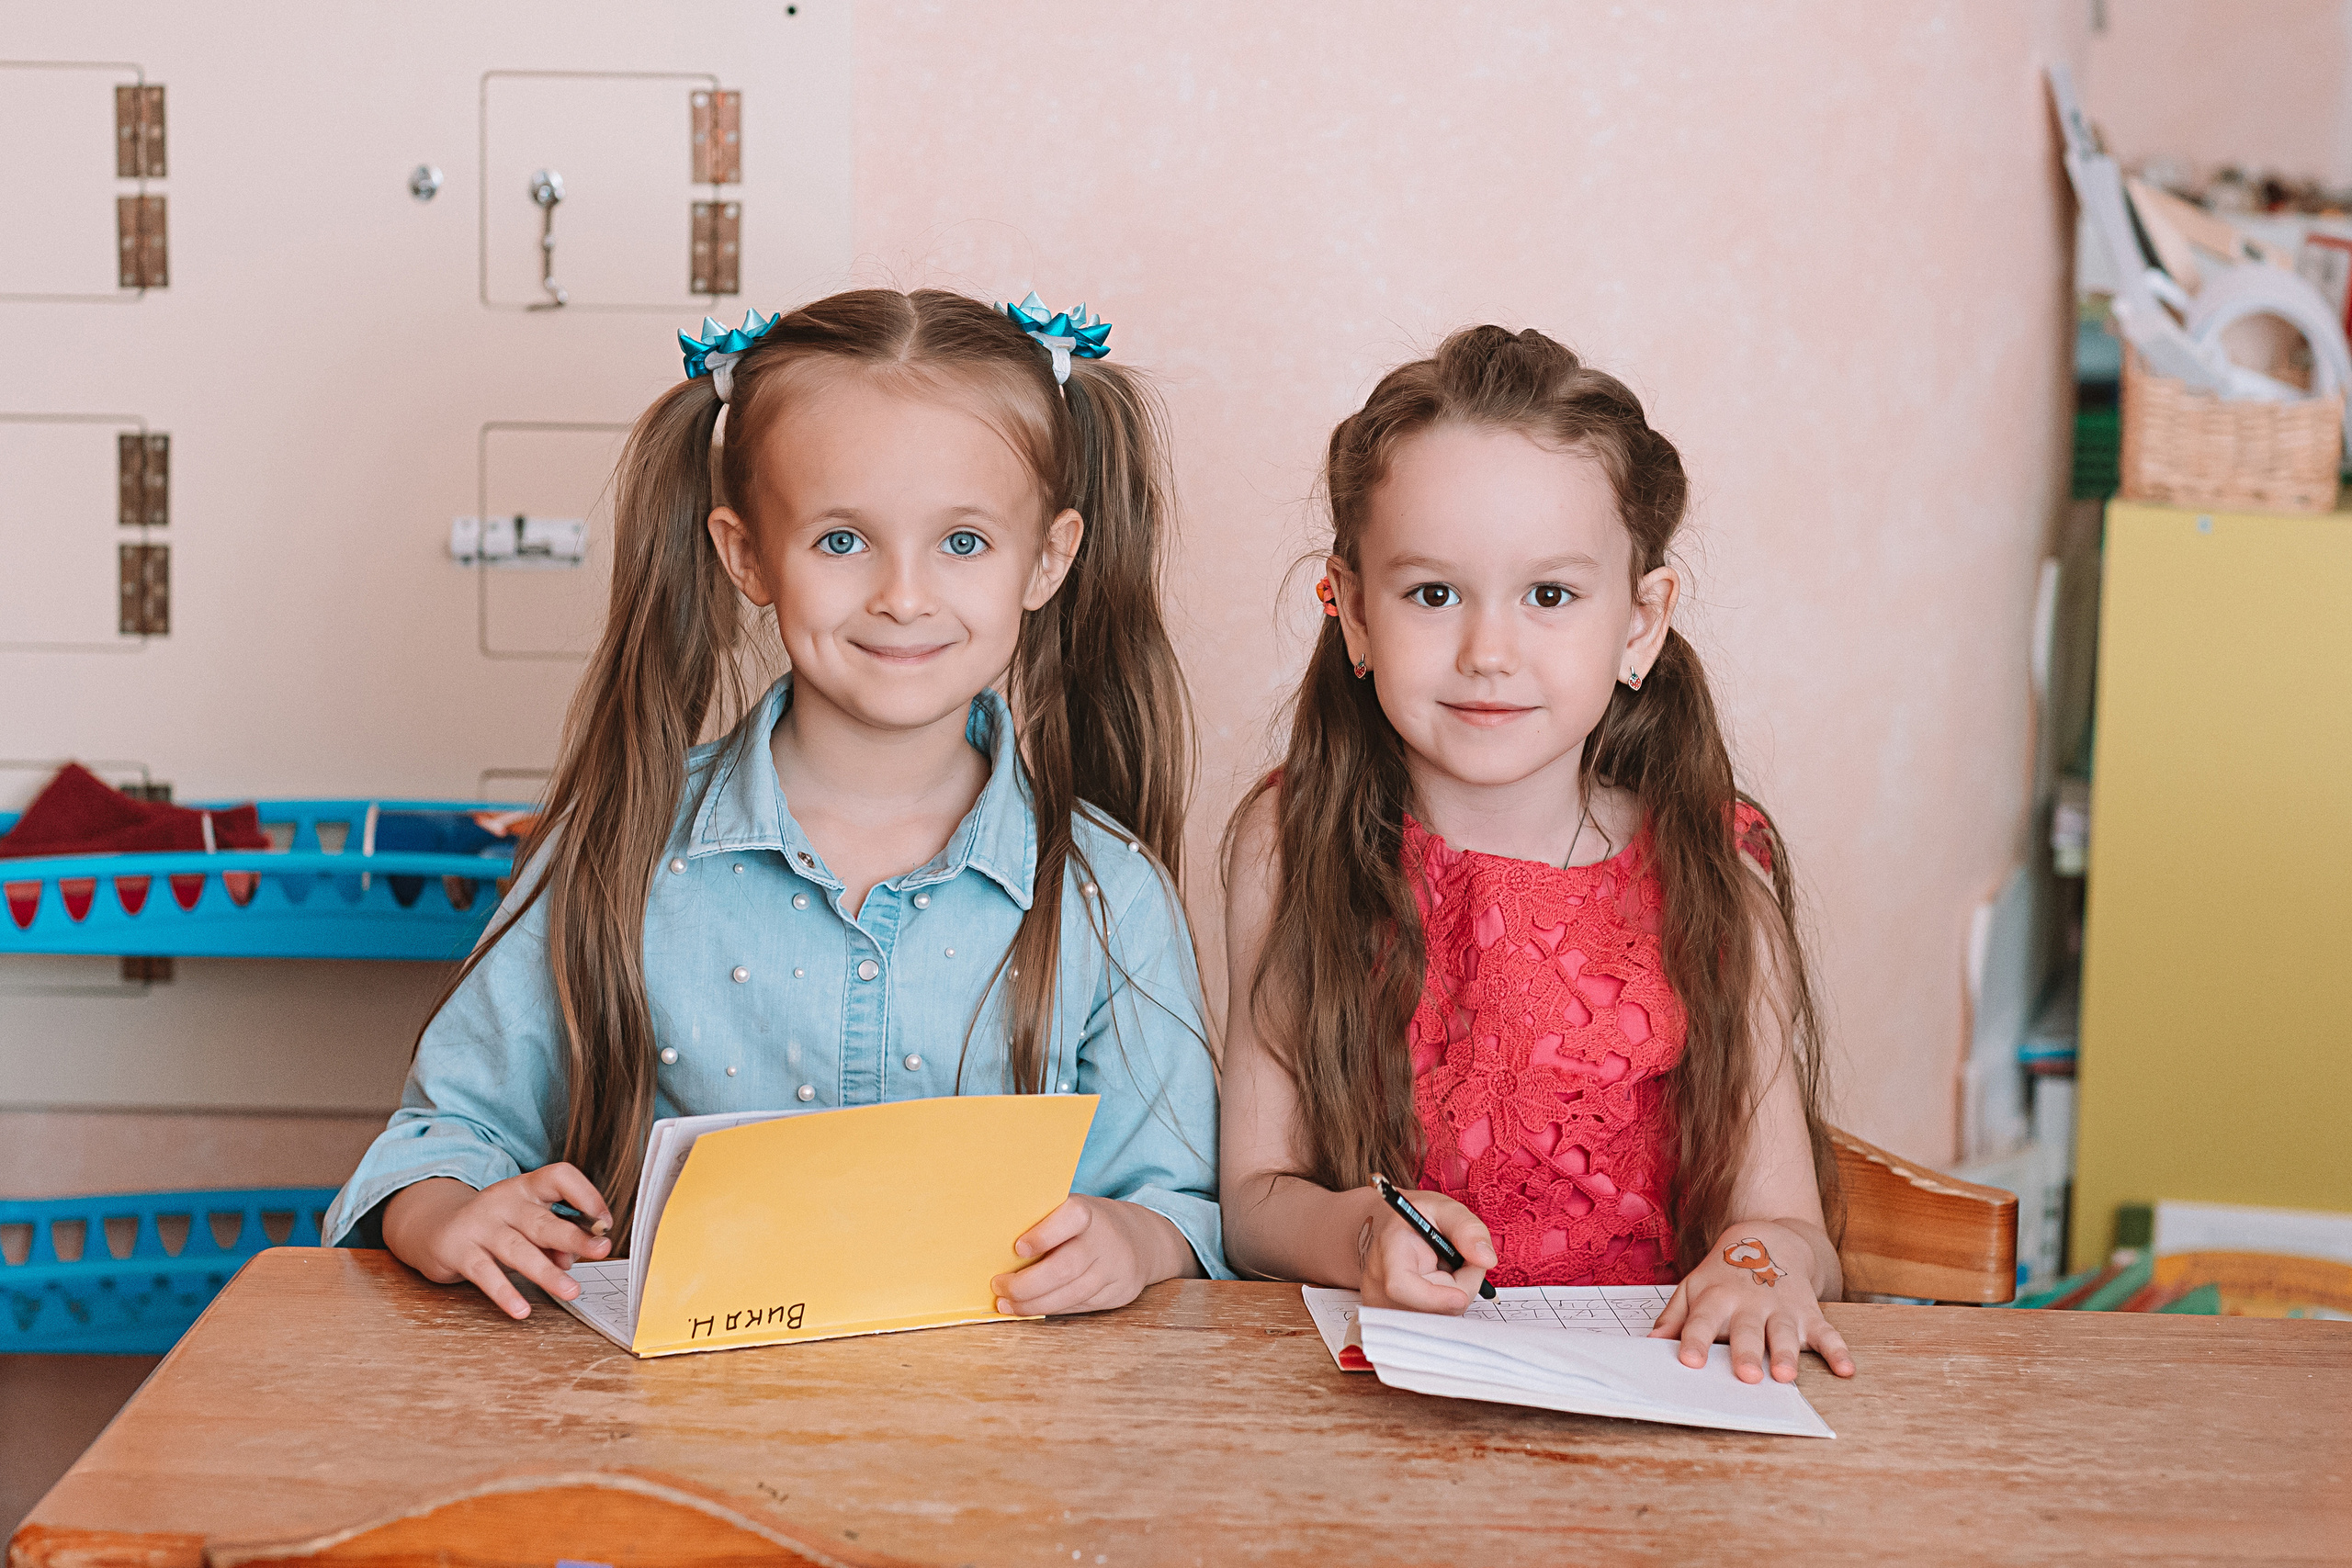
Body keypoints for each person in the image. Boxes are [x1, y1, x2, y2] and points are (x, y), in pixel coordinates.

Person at [323, 288, 1226, 1318]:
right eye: (842, 541)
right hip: (669, 1440)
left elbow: (1178, 1205)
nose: (903, 594)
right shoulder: (615, 850)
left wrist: (1135, 1241)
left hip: (999, 1447)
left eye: (963, 543)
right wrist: (444, 1213)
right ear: (747, 554)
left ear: (1048, 558)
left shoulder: (1112, 894)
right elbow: (443, 1139)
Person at [1219, 325, 1855, 1385]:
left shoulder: (1708, 861)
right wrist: (1362, 1235)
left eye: (1549, 596)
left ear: (1641, 620)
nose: (1487, 651)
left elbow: (1786, 1223)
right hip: (1381, 1413)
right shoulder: (1289, 844)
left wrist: (1756, 1266)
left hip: (1658, 1399)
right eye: (1432, 594)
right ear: (1353, 609)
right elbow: (1255, 1200)